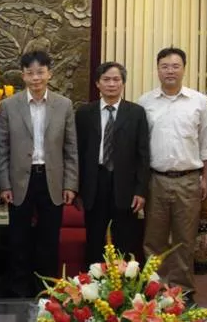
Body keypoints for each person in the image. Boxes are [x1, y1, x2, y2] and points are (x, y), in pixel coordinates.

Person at [0, 50, 78, 298]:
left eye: (40, 72)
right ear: (23, 75)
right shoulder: (9, 105)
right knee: (18, 240)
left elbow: (71, 148)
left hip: (52, 180)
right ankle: (18, 292)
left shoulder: (63, 105)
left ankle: (47, 293)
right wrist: (4, 184)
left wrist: (70, 184)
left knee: (49, 241)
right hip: (20, 180)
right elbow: (2, 148)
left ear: (49, 74)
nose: (36, 78)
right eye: (30, 73)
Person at [137, 47, 207, 305]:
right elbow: (140, 146)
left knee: (185, 238)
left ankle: (183, 291)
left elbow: (206, 144)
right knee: (153, 239)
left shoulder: (199, 102)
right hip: (155, 179)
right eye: (165, 66)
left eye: (175, 66)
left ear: (184, 68)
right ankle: (155, 290)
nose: (170, 71)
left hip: (188, 179)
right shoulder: (145, 102)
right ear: (157, 69)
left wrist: (206, 178)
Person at [75, 62, 149, 265]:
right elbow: (77, 153)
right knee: (95, 240)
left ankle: (123, 282)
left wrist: (141, 190)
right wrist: (77, 189)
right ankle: (92, 281)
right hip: (94, 183)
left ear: (123, 83)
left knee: (124, 240)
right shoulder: (84, 113)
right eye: (106, 79)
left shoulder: (136, 113)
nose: (111, 84)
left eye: (116, 79)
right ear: (97, 83)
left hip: (125, 185)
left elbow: (143, 155)